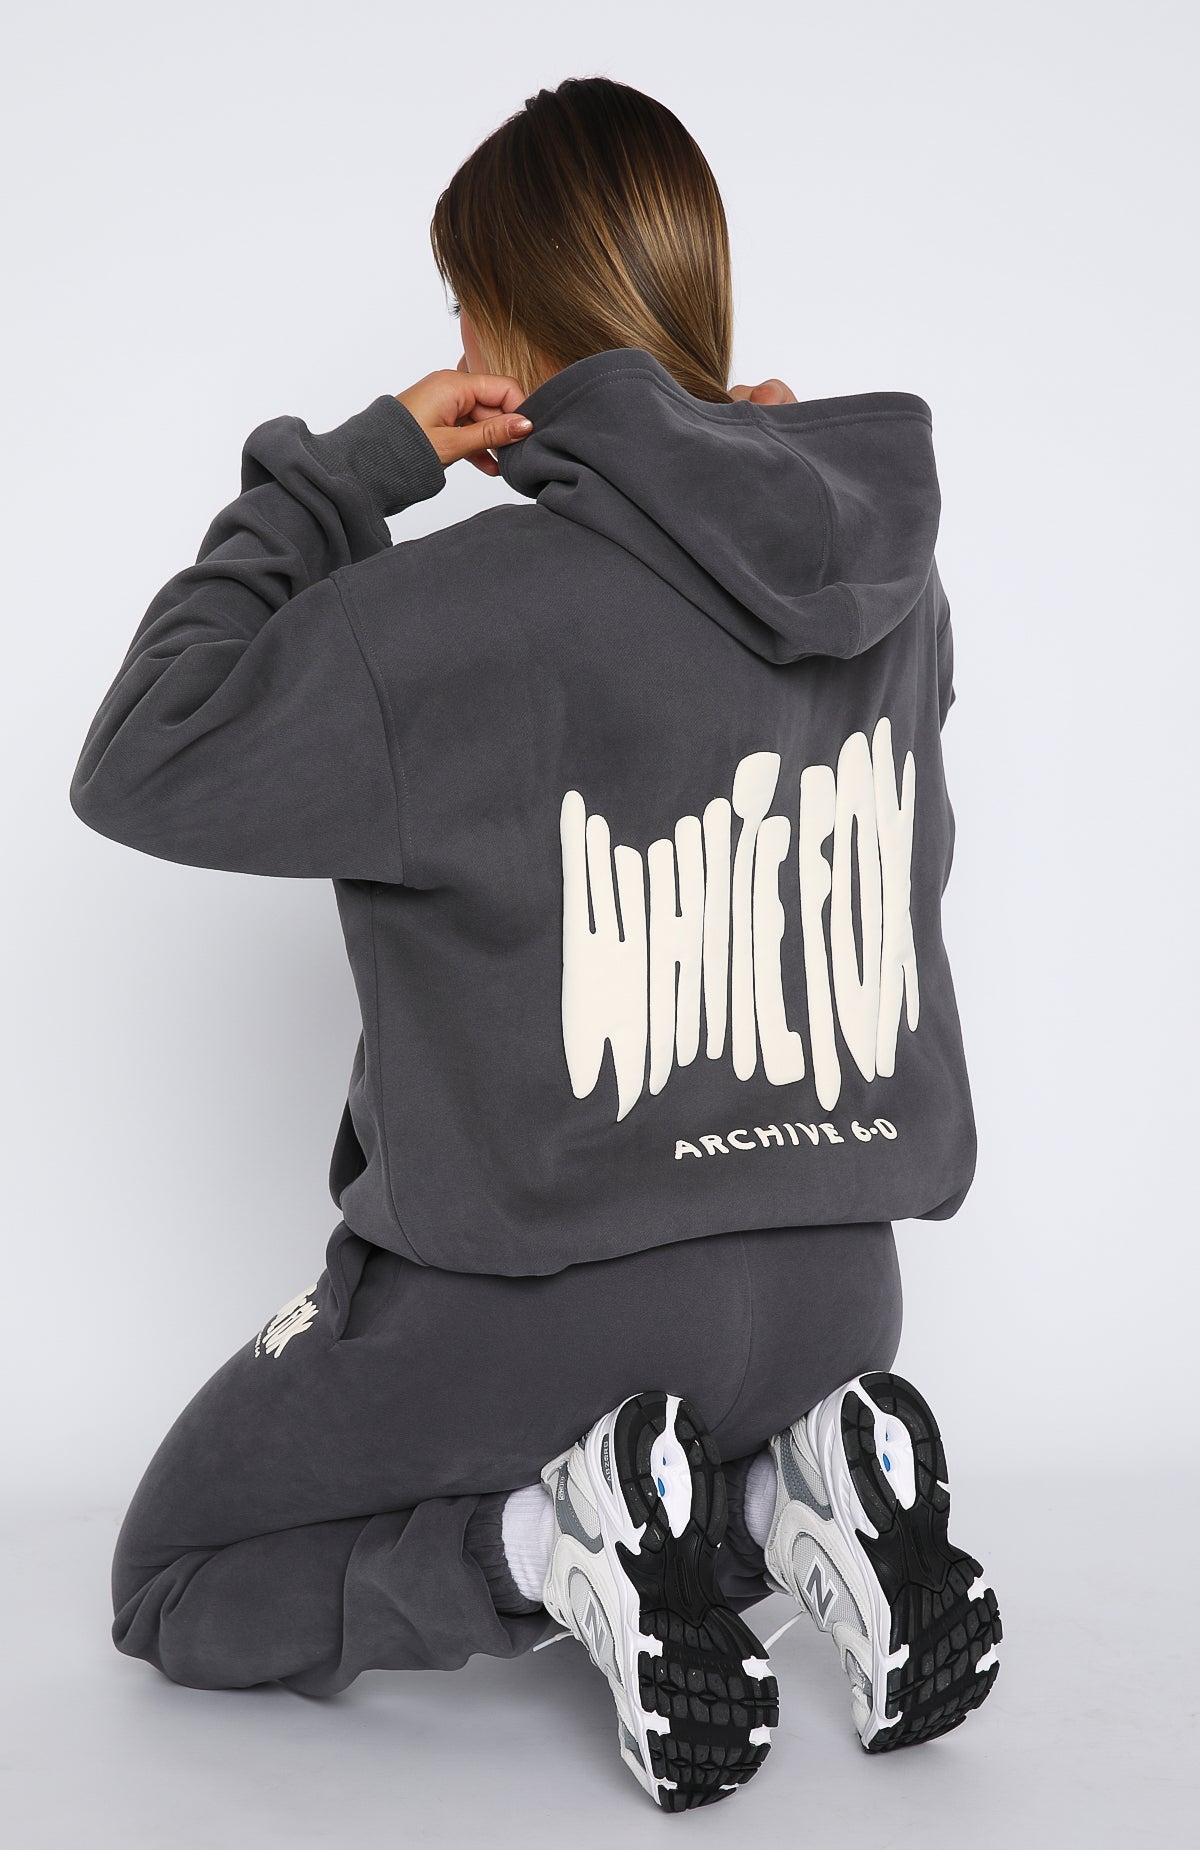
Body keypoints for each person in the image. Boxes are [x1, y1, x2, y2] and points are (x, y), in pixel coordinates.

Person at [68, 76, 1001, 1813]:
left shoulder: (445, 622)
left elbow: (141, 753)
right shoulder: (892, 583)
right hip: (840, 1296)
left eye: (463, 307)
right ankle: (781, 1492)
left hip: (546, 1314)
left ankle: (539, 1535)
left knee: (171, 1573)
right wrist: (739, 462)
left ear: (504, 322)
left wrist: (352, 471)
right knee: (722, 1431)